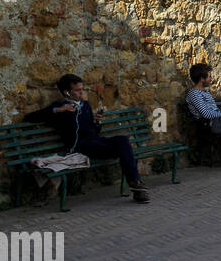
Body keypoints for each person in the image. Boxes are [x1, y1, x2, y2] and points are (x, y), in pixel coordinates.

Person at [24, 73, 151, 203]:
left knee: (122, 140)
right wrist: (58, 110)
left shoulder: (85, 105)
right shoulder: (59, 107)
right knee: (123, 150)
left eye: (82, 89)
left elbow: (94, 131)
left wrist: (97, 122)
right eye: (78, 90)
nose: (81, 93)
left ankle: (135, 183)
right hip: (81, 146)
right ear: (67, 92)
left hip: (95, 141)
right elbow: (29, 117)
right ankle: (137, 186)